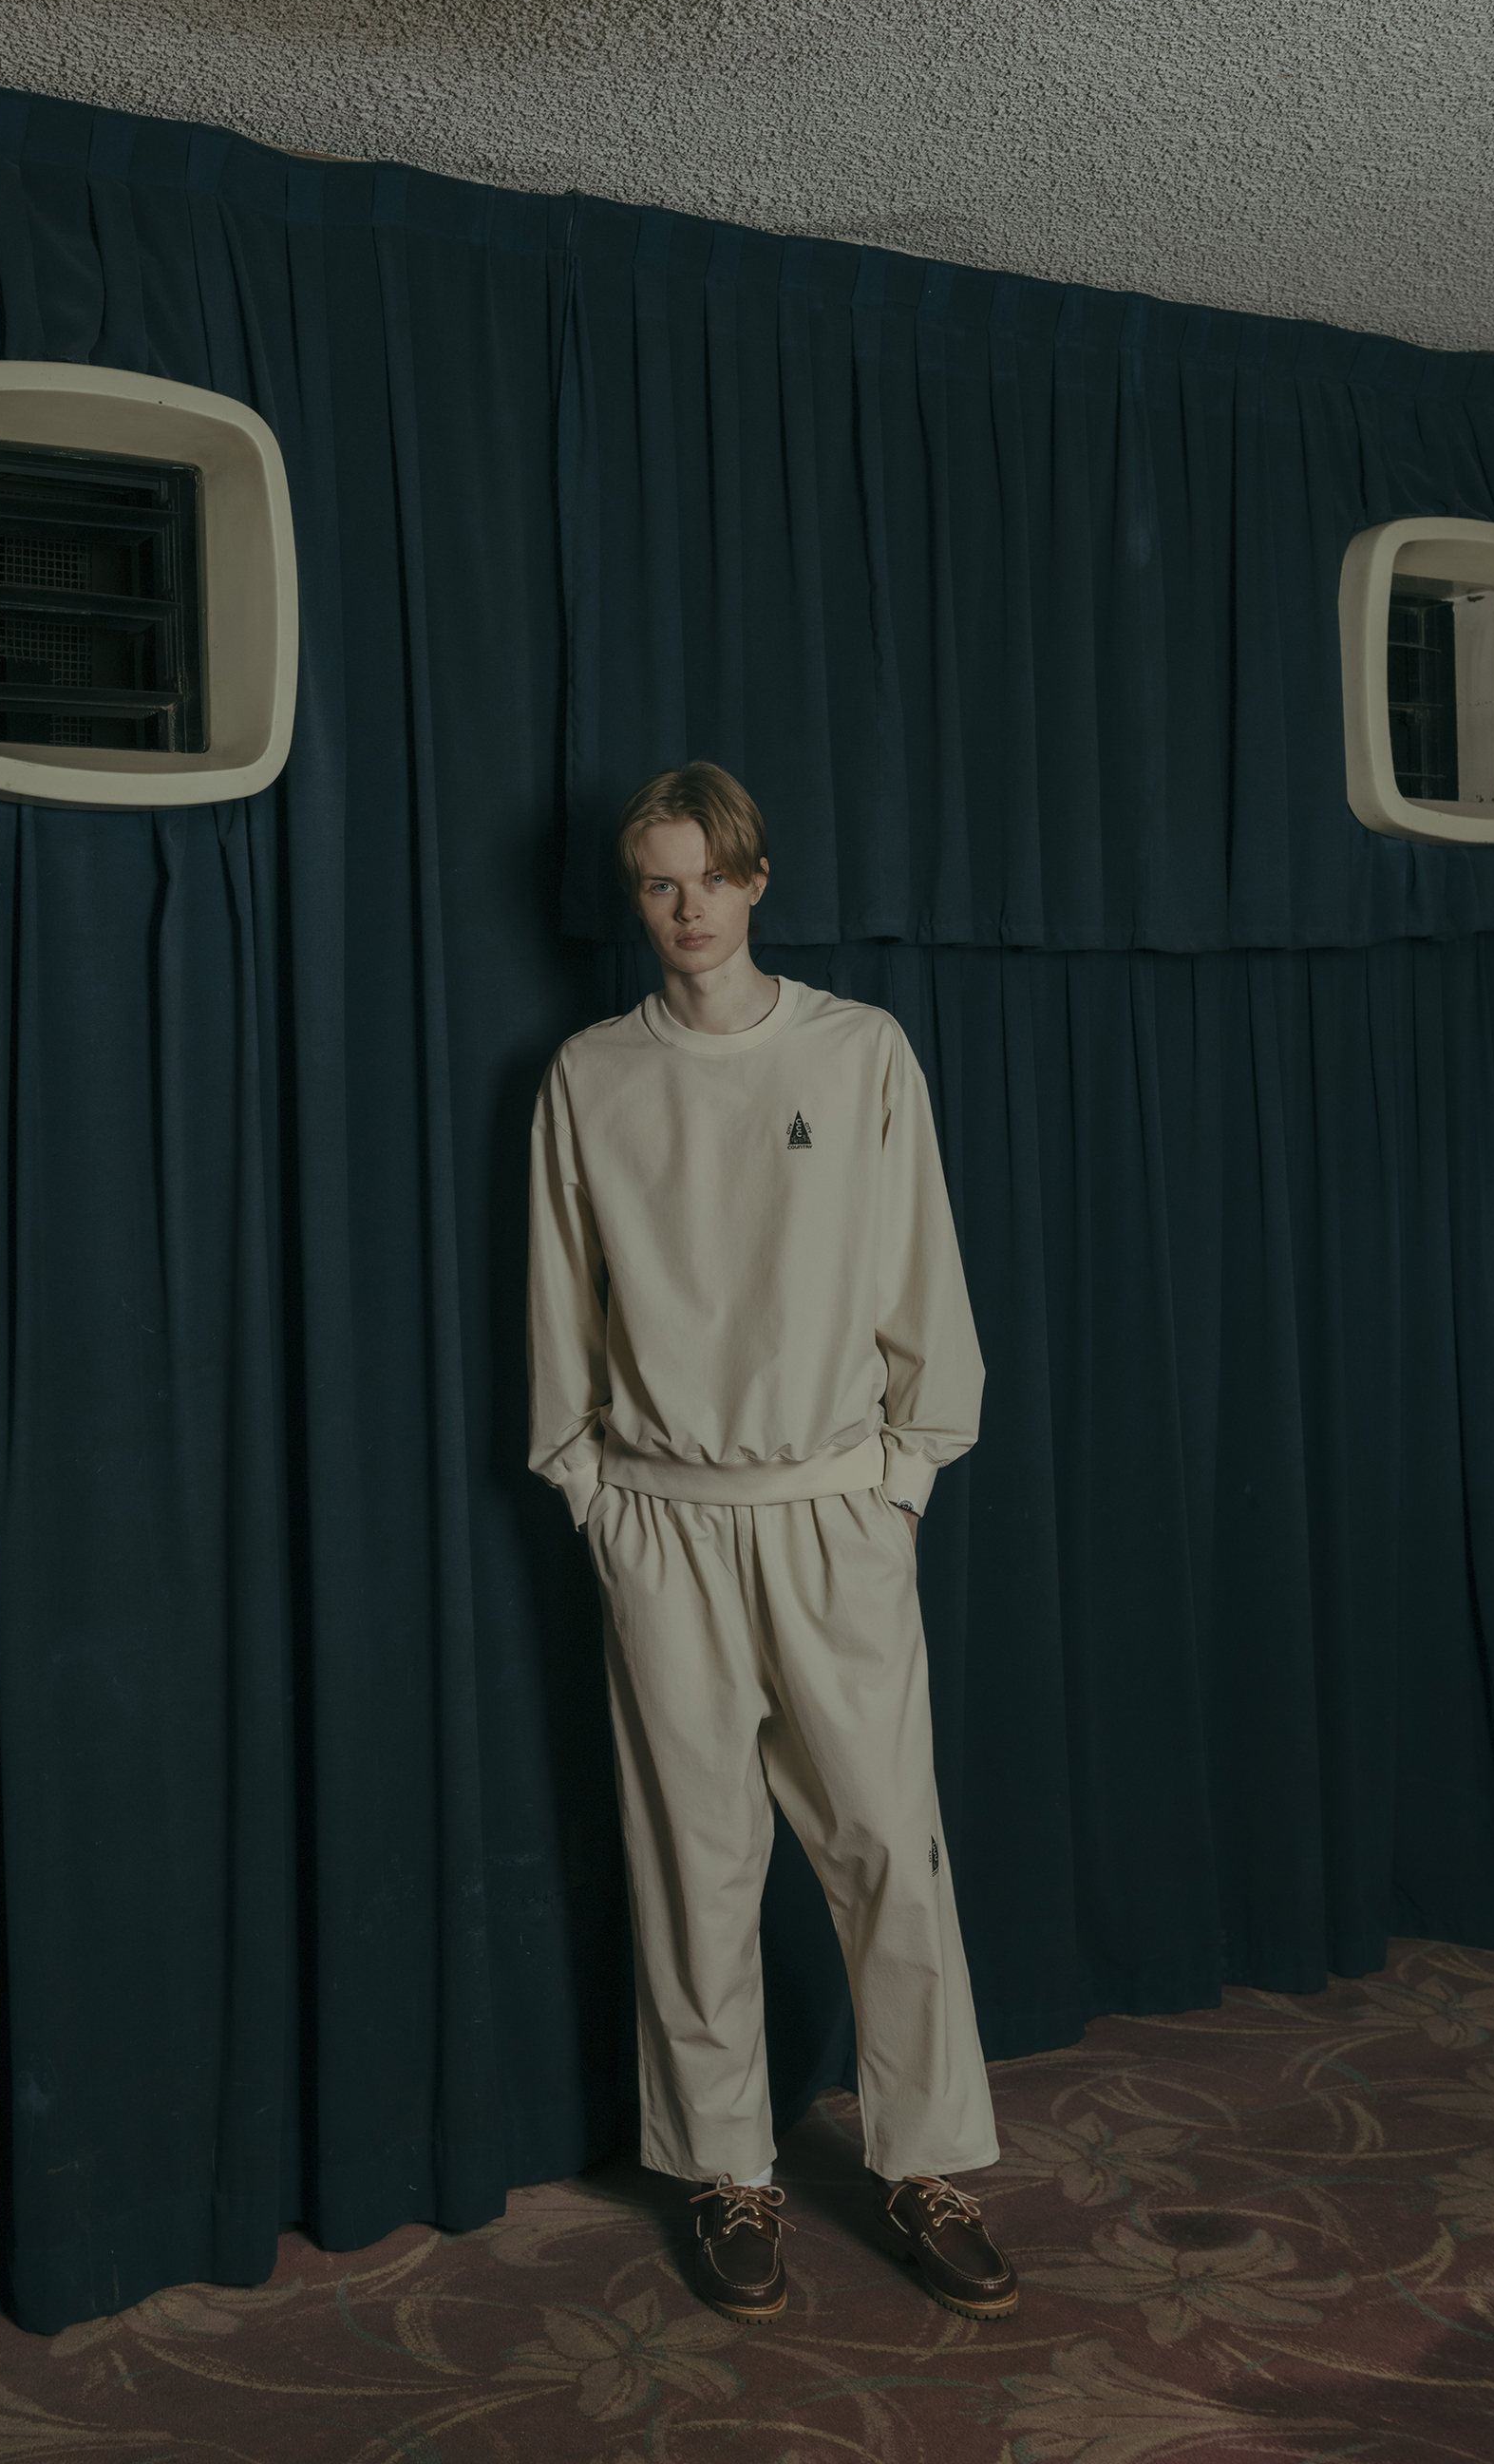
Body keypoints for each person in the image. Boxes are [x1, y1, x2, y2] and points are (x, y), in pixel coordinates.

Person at [527, 761, 1016, 2326]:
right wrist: (592, 1490)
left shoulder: (858, 1051)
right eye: (656, 884)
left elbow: (924, 1275)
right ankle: (727, 2171)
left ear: (754, 881)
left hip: (830, 1509)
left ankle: (923, 2162)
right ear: (639, 899)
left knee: (889, 1849)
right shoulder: (590, 1074)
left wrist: (904, 1479)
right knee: (695, 1860)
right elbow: (560, 1299)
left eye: (707, 878)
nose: (684, 909)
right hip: (662, 1520)